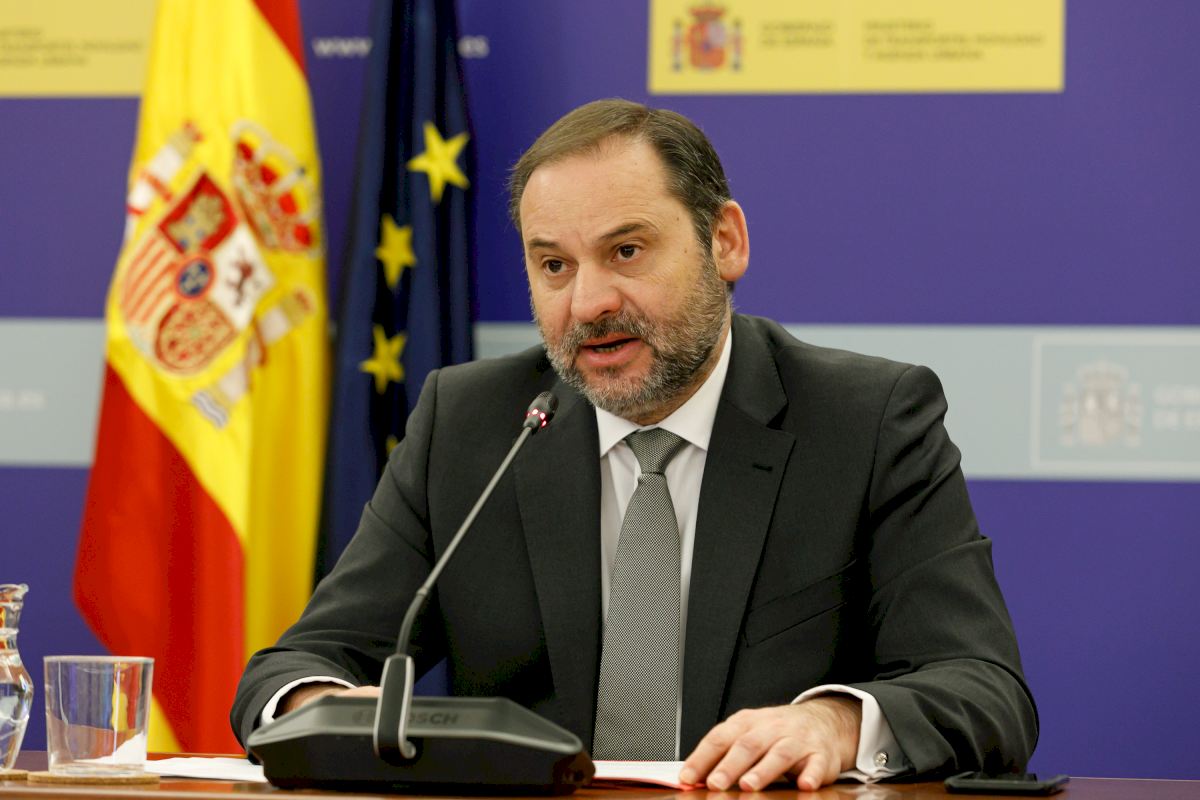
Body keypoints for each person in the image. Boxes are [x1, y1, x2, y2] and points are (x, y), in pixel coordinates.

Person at [232, 99, 1037, 791]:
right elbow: (294, 667)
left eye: (626, 251)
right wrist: (319, 709)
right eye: (554, 265)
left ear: (725, 241)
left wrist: (836, 723)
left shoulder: (865, 422)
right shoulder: (471, 425)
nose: (588, 303)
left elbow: (985, 690)